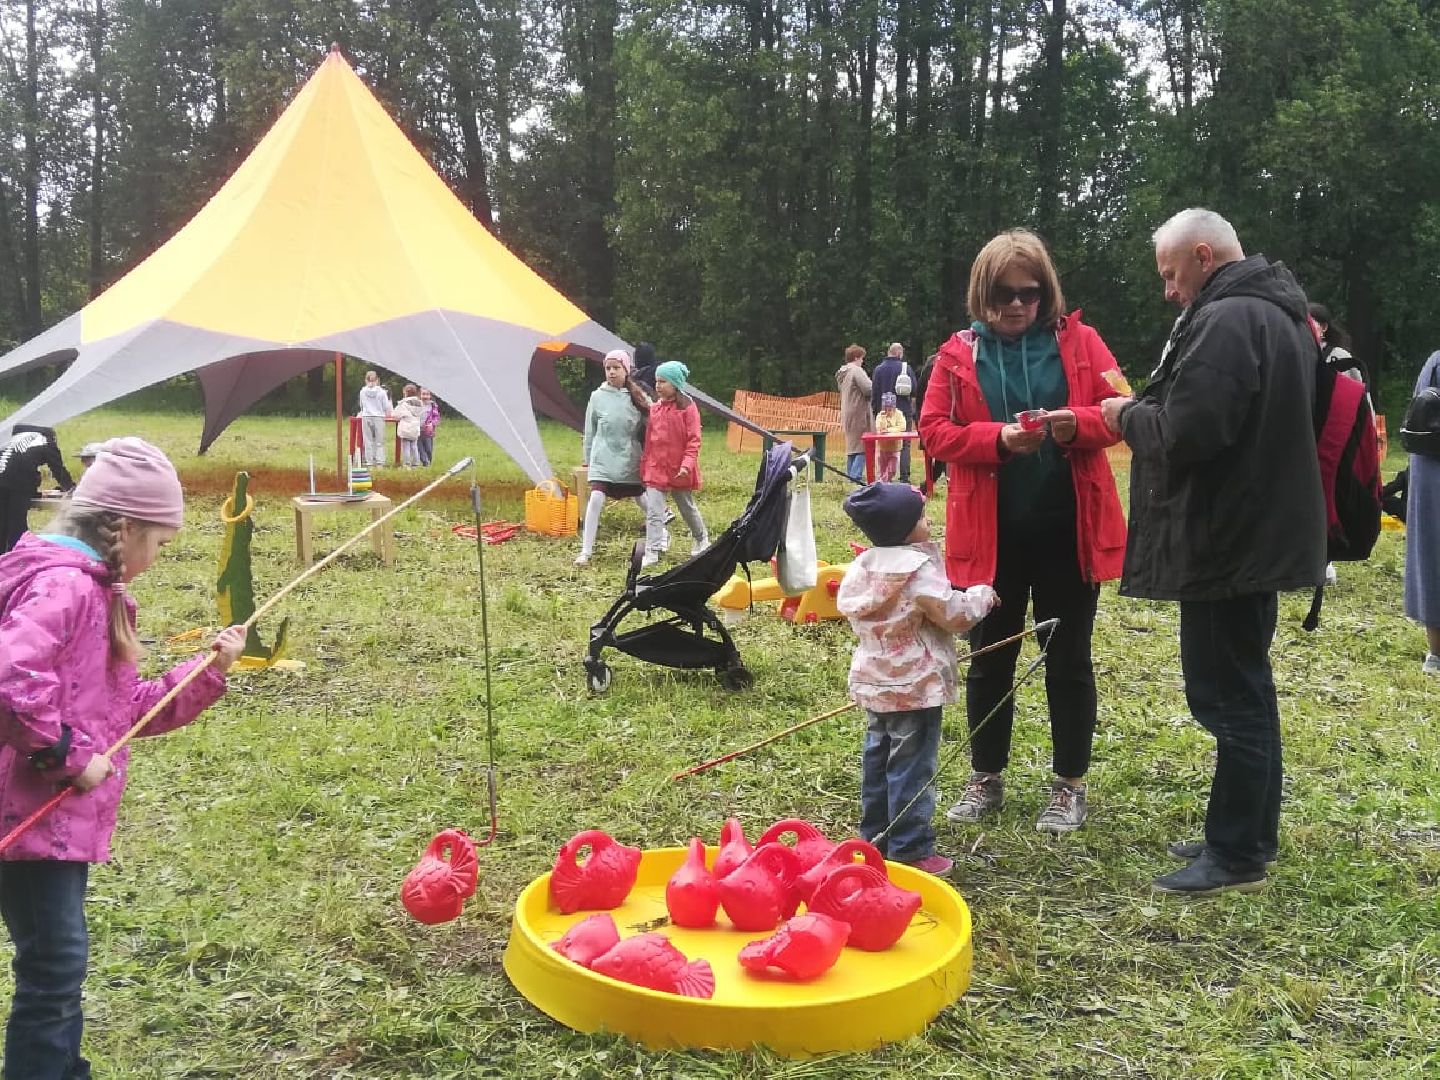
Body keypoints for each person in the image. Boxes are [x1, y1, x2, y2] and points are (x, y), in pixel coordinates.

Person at [0, 436, 248, 1078]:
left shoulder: (94, 592)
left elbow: (123, 714)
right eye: (160, 543)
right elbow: (8, 680)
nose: (158, 559)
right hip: (29, 820)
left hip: (52, 822)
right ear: (127, 528)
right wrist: (66, 757)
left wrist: (208, 671)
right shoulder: (65, 588)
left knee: (57, 963)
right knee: (54, 966)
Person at [1100, 207, 1325, 895]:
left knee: (1228, 697)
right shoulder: (1278, 313)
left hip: (1227, 540)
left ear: (1203, 256)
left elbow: (1188, 432)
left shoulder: (1229, 319)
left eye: (1172, 275)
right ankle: (1249, 833)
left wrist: (1124, 416)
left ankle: (1236, 855)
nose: (1169, 291)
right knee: (1246, 687)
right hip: (1253, 533)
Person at [918, 228, 1128, 835]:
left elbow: (1122, 411)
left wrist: (1075, 425)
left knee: (1068, 659)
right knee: (990, 659)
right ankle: (985, 777)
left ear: (1046, 292)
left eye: (1029, 293)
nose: (1016, 305)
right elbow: (932, 432)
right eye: (1003, 294)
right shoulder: (957, 353)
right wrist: (999, 440)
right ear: (981, 294)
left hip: (1068, 530)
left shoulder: (1083, 342)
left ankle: (1070, 785)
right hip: (992, 537)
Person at [836, 483, 997, 877]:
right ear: (905, 528)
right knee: (911, 769)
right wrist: (982, 595)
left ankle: (874, 839)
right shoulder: (916, 570)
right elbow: (955, 614)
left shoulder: (864, 566)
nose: (929, 522)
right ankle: (910, 849)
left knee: (878, 761)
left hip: (875, 683)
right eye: (922, 517)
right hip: (915, 686)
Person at [577, 350, 649, 567]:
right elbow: (590, 430)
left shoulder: (637, 396)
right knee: (596, 498)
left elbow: (655, 421)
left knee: (643, 499)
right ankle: (586, 551)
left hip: (629, 458)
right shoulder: (597, 396)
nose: (611, 372)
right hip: (603, 457)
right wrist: (588, 458)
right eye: (608, 368)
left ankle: (661, 534)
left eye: (616, 368)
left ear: (626, 370)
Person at [640, 361, 708, 568]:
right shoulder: (655, 408)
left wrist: (687, 464)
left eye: (663, 381)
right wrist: (645, 464)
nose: (658, 386)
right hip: (656, 468)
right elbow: (650, 440)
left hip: (679, 469)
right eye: (656, 381)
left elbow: (694, 440)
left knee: (686, 507)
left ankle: (701, 538)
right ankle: (652, 550)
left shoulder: (688, 408)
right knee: (654, 511)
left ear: (675, 384)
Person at [1403, 349, 1440, 675]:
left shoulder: (1434, 361)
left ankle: (1436, 654)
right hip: (1432, 467)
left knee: (1431, 555)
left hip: (1428, 468)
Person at [0, 426, 76, 556]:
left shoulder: (11, 440)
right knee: (17, 525)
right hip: (19, 482)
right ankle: (17, 558)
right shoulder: (45, 441)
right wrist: (71, 488)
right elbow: (58, 469)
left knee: (2, 524)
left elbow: (14, 465)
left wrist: (35, 493)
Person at [871, 343, 917, 481]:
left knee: (883, 445)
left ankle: (884, 476)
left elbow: (875, 393)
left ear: (889, 352)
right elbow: (914, 390)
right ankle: (904, 476)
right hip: (903, 411)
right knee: (904, 444)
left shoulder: (878, 370)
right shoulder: (906, 368)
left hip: (883, 414)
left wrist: (876, 412)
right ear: (899, 353)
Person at [836, 345, 872, 482]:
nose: (862, 361)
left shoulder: (842, 373)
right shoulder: (857, 371)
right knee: (862, 446)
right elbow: (868, 389)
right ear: (856, 357)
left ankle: (849, 475)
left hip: (847, 411)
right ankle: (855, 477)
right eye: (862, 358)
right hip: (859, 412)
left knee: (852, 447)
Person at [357, 371, 393, 468]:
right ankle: (380, 462)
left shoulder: (362, 391)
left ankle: (369, 461)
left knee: (368, 440)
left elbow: (361, 405)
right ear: (377, 380)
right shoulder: (382, 392)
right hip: (379, 417)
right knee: (379, 441)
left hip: (366, 416)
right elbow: (386, 406)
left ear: (366, 380)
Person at [874, 393, 907, 482]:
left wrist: (889, 430)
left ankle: (884, 482)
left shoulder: (899, 414)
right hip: (882, 447)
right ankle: (883, 483)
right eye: (886, 407)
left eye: (890, 408)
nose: (888, 410)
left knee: (892, 469)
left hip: (895, 447)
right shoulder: (880, 415)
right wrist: (884, 418)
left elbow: (902, 427)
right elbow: (879, 428)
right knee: (881, 469)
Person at [392, 384, 426, 468]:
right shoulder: (420, 404)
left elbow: (395, 414)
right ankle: (415, 464)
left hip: (406, 429)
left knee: (406, 447)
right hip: (415, 428)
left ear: (406, 393)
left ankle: (406, 464)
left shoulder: (403, 404)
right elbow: (423, 416)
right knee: (414, 446)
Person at [417, 388, 441, 467]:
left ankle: (429, 462)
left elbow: (436, 418)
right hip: (417, 430)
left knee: (428, 449)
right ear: (420, 395)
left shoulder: (433, 405)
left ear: (430, 396)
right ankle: (425, 462)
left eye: (427, 394)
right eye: (423, 394)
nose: (425, 396)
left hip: (428, 431)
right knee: (420, 448)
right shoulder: (417, 404)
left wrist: (432, 424)